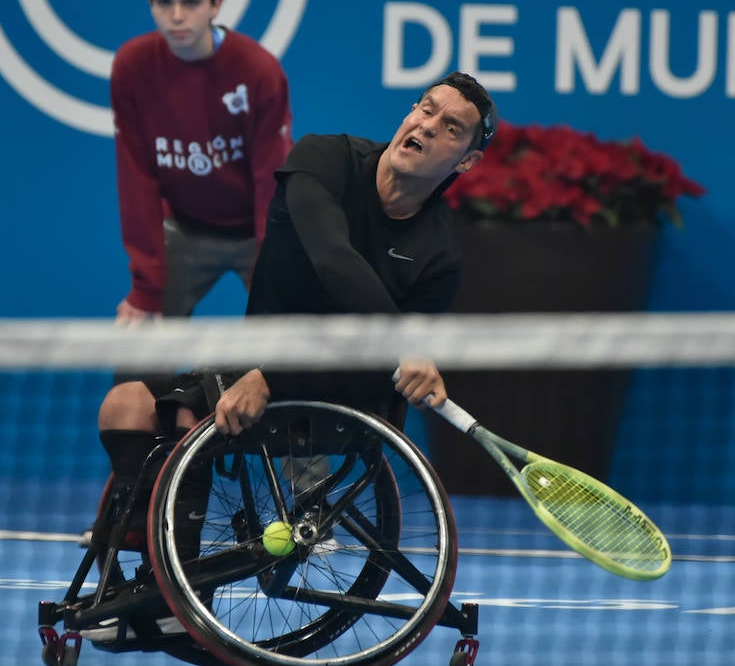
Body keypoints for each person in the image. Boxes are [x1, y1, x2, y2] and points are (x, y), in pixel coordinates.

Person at [89, 72, 498, 578]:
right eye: (425, 108)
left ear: (466, 161)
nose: (428, 125)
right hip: (261, 362)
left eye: (451, 127)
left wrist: (274, 378)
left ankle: (177, 587)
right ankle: (147, 544)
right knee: (125, 405)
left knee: (183, 420)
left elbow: (376, 372)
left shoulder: (440, 256)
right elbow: (332, 259)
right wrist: (403, 342)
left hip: (345, 398)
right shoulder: (323, 161)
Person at [110, 0, 292, 326]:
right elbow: (136, 179)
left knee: (287, 353)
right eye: (164, 2)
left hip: (256, 236)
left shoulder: (259, 71)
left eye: (191, 2)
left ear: (216, 3)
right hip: (183, 229)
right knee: (137, 362)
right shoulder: (132, 67)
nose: (177, 16)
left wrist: (275, 273)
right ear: (150, 4)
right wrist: (145, 289)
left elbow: (270, 180)